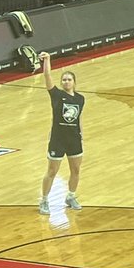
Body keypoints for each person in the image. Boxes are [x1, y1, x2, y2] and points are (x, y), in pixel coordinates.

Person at [38, 52, 86, 214]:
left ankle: (71, 196)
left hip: (74, 140)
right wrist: (47, 60)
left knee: (76, 170)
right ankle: (44, 200)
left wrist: (81, 135)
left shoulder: (80, 99)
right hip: (58, 140)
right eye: (64, 79)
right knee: (52, 171)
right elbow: (47, 74)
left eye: (69, 79)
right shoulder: (57, 95)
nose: (66, 81)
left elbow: (78, 119)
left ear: (74, 82)